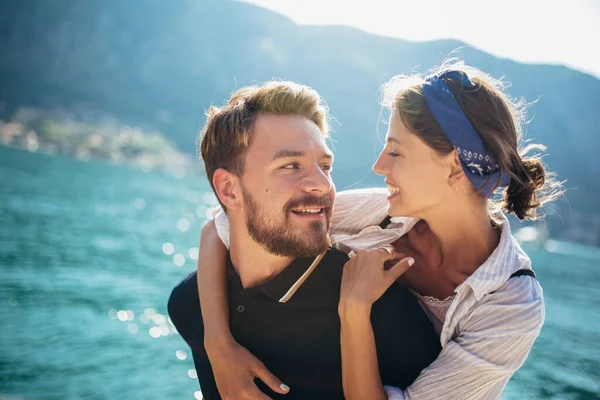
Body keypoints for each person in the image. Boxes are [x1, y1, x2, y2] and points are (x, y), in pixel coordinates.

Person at [194, 61, 563, 399]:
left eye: (396, 152)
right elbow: (223, 221)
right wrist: (219, 344)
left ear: (454, 167)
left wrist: (354, 309)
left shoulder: (511, 305)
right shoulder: (381, 212)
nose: (379, 165)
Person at [167, 81, 442, 400]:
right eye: (290, 166)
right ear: (229, 190)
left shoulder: (384, 313)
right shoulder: (190, 305)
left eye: (325, 166)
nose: (322, 185)